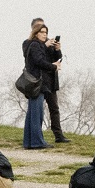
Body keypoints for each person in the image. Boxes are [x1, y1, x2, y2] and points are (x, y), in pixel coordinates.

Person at [21, 21, 64, 149]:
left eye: (46, 32)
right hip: (37, 83)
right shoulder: (34, 45)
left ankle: (29, 142)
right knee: (36, 114)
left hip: (40, 83)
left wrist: (57, 50)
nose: (44, 35)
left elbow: (49, 58)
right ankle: (37, 142)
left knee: (33, 113)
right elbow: (39, 61)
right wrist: (53, 66)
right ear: (36, 33)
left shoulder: (39, 45)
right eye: (42, 32)